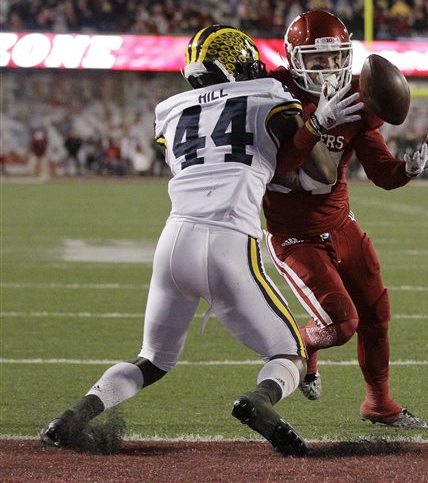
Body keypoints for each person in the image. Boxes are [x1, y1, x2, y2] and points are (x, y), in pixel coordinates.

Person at [40, 24, 362, 455]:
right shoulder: (267, 93)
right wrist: (317, 123)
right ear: (236, 65)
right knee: (289, 352)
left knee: (152, 359)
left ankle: (74, 416)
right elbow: (319, 173)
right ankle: (258, 401)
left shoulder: (169, 110)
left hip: (173, 241)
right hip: (229, 239)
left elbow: (226, 157)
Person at [263, 10, 428, 428]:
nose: (327, 70)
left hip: (340, 223)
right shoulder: (273, 94)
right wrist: (317, 123)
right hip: (294, 235)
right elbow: (279, 163)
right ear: (293, 59)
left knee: (376, 314)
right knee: (341, 324)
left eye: (334, 58)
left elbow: (380, 171)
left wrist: (406, 170)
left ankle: (379, 403)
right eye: (315, 60)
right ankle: (304, 343)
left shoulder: (358, 101)